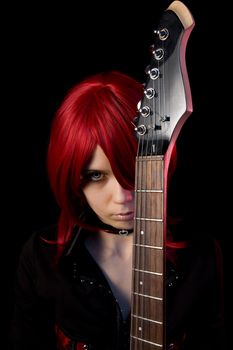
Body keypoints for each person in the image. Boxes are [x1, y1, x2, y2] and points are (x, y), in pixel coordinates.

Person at [9, 70, 225, 350]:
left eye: (133, 172)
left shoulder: (200, 255)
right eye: (96, 176)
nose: (122, 197)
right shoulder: (42, 258)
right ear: (71, 177)